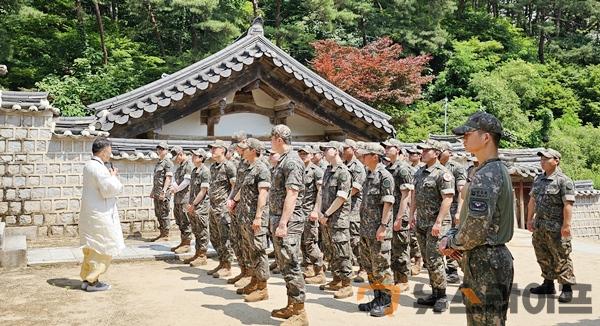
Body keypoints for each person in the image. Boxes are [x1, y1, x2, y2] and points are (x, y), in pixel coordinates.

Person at [440, 111, 514, 325]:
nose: (463, 138)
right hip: (486, 258)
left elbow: (475, 228)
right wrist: (454, 235)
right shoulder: (491, 170)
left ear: (485, 137)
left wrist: (451, 242)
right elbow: (471, 219)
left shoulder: (487, 175)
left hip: (486, 261)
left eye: (468, 133)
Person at [269, 124, 308, 325]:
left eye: (271, 138)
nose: (270, 142)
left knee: (291, 264)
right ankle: (292, 305)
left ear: (278, 139)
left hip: (289, 222)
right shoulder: (282, 161)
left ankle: (300, 313)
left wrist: (283, 223)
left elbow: (292, 194)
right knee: (284, 264)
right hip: (278, 219)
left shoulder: (292, 162)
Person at [409, 139, 454, 313]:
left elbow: (448, 199)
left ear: (436, 153)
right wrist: (412, 213)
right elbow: (415, 196)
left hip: (437, 224)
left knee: (435, 259)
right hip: (422, 221)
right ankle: (434, 292)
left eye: (426, 150)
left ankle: (442, 296)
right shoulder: (420, 172)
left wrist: (438, 222)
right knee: (428, 259)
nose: (422, 152)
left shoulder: (442, 173)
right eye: (422, 150)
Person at [527, 148, 576, 303]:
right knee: (543, 255)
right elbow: (532, 201)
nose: (542, 161)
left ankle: (566, 288)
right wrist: (529, 219)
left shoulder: (563, 180)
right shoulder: (538, 179)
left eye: (546, 159)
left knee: (561, 256)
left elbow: (568, 204)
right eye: (541, 159)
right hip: (540, 226)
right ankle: (548, 285)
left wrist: (566, 226)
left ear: (556, 160)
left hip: (556, 227)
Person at [79, 137, 124, 292]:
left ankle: (87, 278)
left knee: (91, 248)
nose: (110, 155)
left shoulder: (88, 165)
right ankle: (93, 281)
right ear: (104, 151)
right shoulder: (99, 168)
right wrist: (113, 176)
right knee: (102, 248)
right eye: (109, 152)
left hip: (91, 213)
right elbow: (108, 190)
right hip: (100, 215)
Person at [356, 142, 395, 317]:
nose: (363, 157)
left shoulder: (384, 176)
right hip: (366, 229)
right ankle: (377, 298)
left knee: (381, 266)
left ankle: (387, 302)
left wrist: (383, 226)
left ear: (375, 156)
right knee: (370, 266)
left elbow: (388, 203)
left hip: (378, 230)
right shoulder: (368, 174)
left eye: (366, 154)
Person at [234, 138, 272, 302]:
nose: (242, 151)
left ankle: (263, 288)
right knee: (249, 250)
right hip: (245, 216)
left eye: (245, 148)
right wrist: (234, 202)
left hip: (255, 218)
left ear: (253, 150)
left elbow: (263, 195)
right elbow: (243, 190)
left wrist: (258, 217)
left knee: (258, 251)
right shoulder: (248, 168)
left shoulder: (261, 168)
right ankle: (254, 281)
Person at [317, 141, 353, 300]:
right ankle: (336, 279)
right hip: (326, 218)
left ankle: (347, 284)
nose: (324, 152)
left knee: (342, 252)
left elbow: (342, 197)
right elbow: (321, 193)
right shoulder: (327, 170)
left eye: (327, 149)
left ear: (336, 151)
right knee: (330, 251)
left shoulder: (343, 172)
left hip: (338, 220)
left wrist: (326, 214)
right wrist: (319, 211)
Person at [382, 138, 413, 292]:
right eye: (385, 147)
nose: (386, 150)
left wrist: (400, 217)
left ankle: (403, 279)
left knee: (401, 247)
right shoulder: (389, 167)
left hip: (400, 214)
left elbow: (406, 195)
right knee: (393, 247)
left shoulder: (403, 169)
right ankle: (395, 277)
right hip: (391, 213)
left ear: (398, 150)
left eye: (390, 147)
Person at [206, 140, 237, 278]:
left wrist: (229, 202)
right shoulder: (213, 167)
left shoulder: (229, 166)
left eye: (215, 148)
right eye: (211, 148)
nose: (212, 150)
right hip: (212, 207)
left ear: (223, 150)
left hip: (223, 209)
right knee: (215, 237)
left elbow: (234, 186)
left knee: (225, 238)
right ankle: (221, 262)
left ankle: (228, 266)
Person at [226, 134, 253, 288]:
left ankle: (250, 273)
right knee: (236, 241)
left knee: (247, 243)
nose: (238, 148)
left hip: (246, 207)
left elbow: (245, 187)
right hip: (237, 207)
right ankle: (243, 270)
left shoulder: (252, 163)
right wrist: (231, 201)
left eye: (241, 145)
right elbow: (236, 185)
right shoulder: (240, 162)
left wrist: (234, 200)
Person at [439, 141, 467, 284]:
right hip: (438, 208)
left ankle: (453, 270)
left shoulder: (457, 168)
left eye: (442, 149)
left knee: (451, 239)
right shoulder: (434, 167)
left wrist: (459, 212)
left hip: (453, 208)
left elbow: (462, 191)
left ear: (449, 152)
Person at [298, 146, 326, 284]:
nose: (303, 155)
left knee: (311, 242)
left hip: (309, 212)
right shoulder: (298, 169)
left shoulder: (317, 171)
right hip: (298, 212)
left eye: (305, 153)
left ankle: (320, 271)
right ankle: (308, 267)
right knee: (303, 242)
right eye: (301, 153)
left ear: (312, 155)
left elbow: (320, 193)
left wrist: (316, 210)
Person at [342, 139, 368, 283]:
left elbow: (356, 188)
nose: (343, 151)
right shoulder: (344, 165)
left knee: (357, 240)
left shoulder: (357, 167)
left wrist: (341, 198)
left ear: (353, 149)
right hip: (345, 207)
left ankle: (363, 268)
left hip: (354, 208)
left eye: (346, 148)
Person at [184, 148, 211, 266]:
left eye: (196, 155)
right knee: (196, 230)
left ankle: (202, 256)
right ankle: (197, 253)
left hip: (201, 206)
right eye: (193, 155)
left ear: (201, 158)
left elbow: (203, 191)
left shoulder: (205, 171)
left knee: (202, 231)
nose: (193, 157)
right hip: (193, 206)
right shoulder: (194, 170)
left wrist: (194, 204)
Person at [168, 146, 193, 254]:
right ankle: (183, 242)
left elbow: (187, 181)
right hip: (178, 198)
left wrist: (176, 188)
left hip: (185, 198)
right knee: (179, 221)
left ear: (180, 154)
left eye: (176, 157)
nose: (176, 160)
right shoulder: (179, 167)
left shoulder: (189, 165)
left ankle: (187, 244)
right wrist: (173, 187)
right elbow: (176, 180)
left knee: (186, 221)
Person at [150, 142, 173, 242]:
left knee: (164, 212)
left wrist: (163, 191)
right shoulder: (159, 162)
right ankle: (162, 233)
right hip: (157, 192)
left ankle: (166, 235)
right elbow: (156, 179)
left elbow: (168, 178)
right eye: (158, 148)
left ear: (166, 151)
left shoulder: (168, 162)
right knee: (158, 213)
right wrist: (153, 191)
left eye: (162, 148)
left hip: (163, 192)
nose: (160, 150)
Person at [405, 146, 423, 276]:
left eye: (414, 153)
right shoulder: (409, 168)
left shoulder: (421, 169)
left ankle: (418, 260)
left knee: (414, 234)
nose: (411, 155)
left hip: (418, 205)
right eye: (410, 153)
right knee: (408, 233)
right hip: (408, 204)